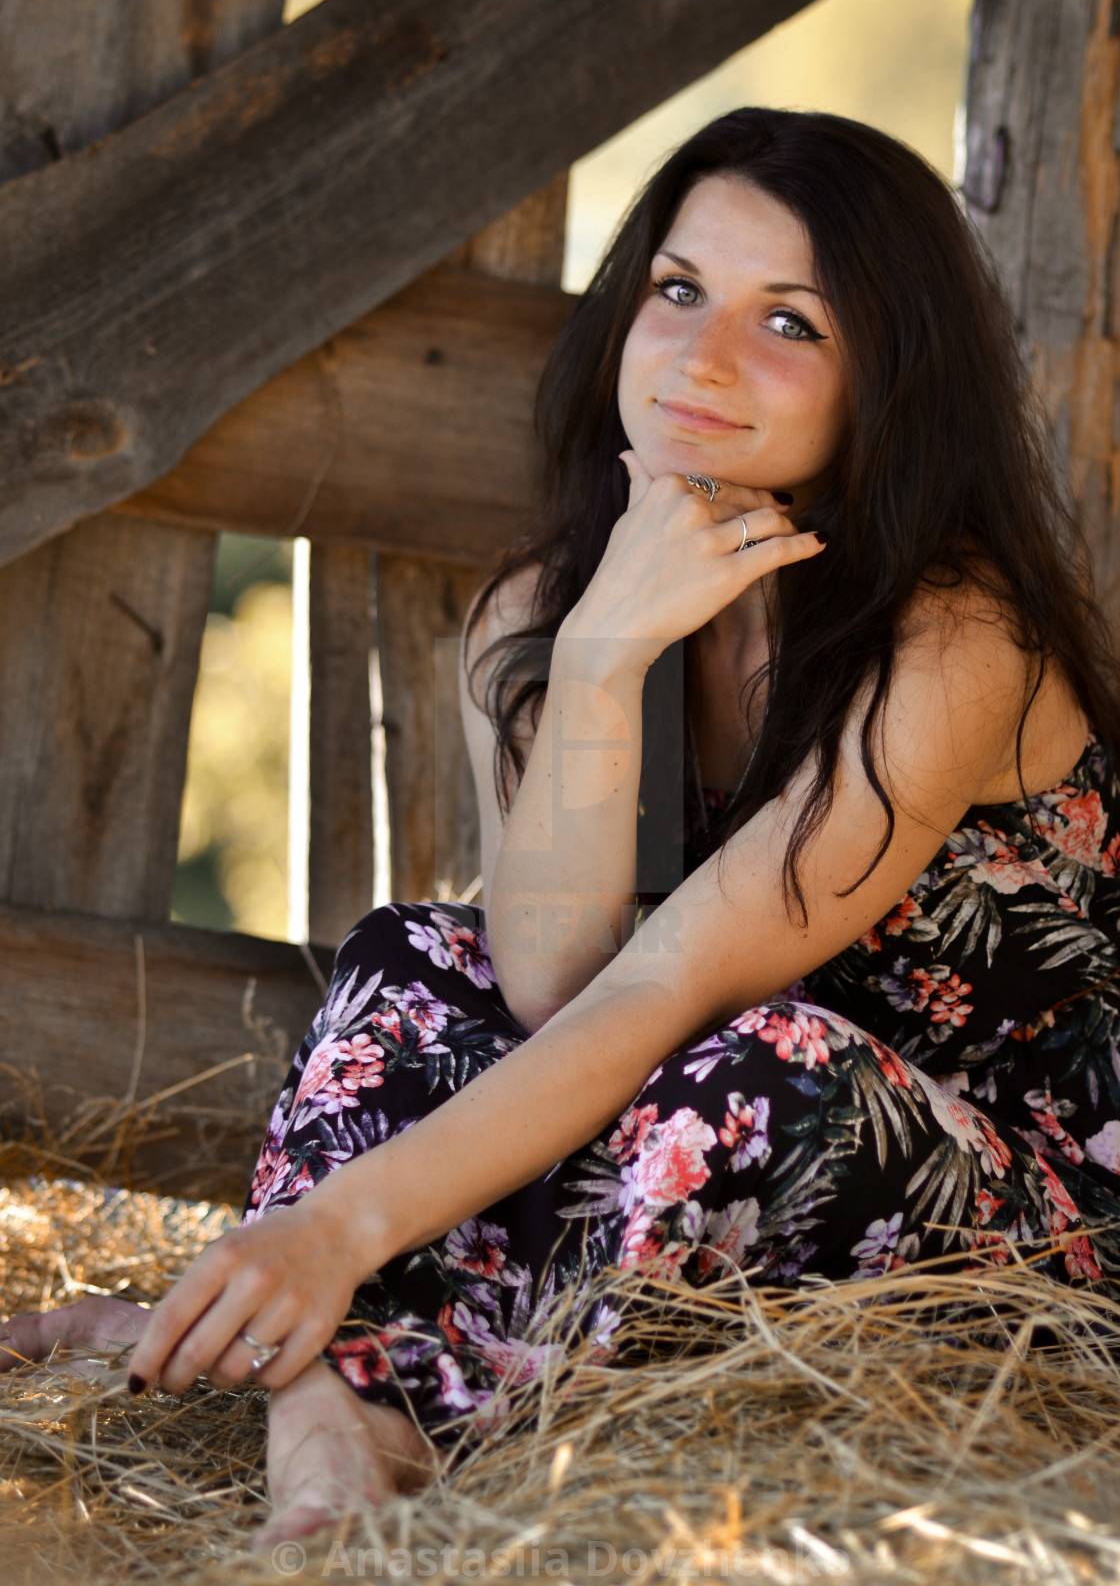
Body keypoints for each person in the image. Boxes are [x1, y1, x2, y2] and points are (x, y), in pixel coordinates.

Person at [6, 109, 1120, 1544]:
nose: (703, 358)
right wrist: (603, 660)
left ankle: (320, 1383)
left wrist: (342, 1227)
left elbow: (671, 994)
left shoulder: (954, 640)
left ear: (889, 381)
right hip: (690, 1139)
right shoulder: (545, 612)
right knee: (417, 953)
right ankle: (323, 1408)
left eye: (790, 321)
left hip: (1021, 1220)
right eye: (676, 291)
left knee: (772, 1064)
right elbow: (542, 982)